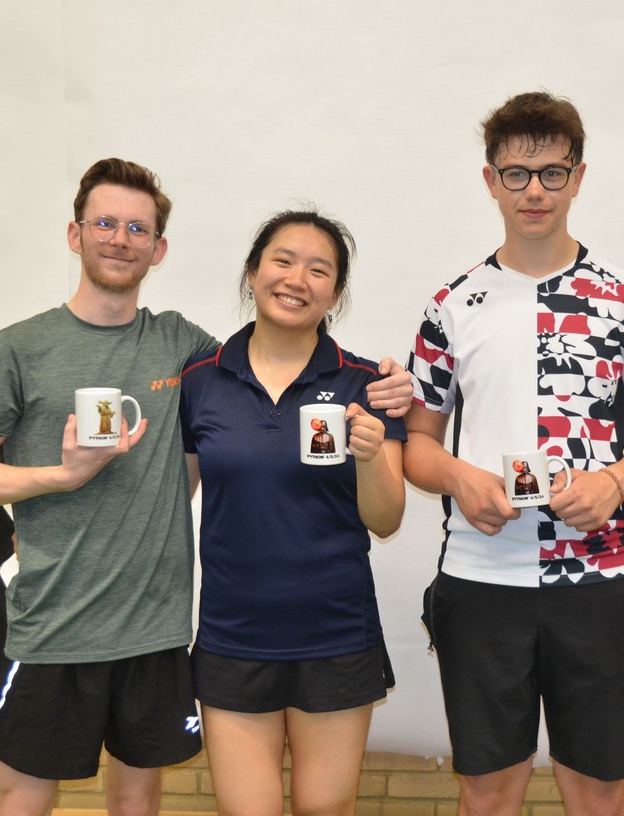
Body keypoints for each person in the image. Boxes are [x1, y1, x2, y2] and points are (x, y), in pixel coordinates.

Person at [0, 159, 412, 816]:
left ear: (157, 249)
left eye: (137, 228)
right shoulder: (50, 351)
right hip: (85, 626)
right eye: (105, 223)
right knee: (28, 801)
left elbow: (376, 506)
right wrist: (57, 482)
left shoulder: (198, 354)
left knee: (150, 801)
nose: (120, 239)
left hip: (182, 632)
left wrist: (388, 404)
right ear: (76, 234)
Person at [403, 91, 624, 816]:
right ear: (491, 181)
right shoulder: (451, 302)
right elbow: (418, 445)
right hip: (481, 576)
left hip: (596, 578)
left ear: (578, 178)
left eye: (552, 173)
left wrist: (615, 482)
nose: (535, 191)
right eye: (517, 174)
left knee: (597, 790)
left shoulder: (623, 296)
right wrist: (459, 478)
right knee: (488, 790)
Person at [179, 209, 406, 816]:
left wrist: (369, 456)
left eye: (318, 270)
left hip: (336, 633)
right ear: (253, 272)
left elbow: (386, 520)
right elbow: (172, 499)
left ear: (335, 292)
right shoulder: (201, 381)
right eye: (282, 261)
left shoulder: (369, 385)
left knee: (324, 808)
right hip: (232, 635)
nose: (296, 279)